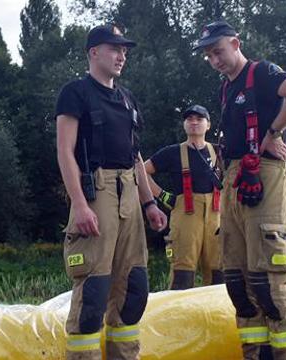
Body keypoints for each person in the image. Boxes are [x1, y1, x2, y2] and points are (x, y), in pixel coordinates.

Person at [193, 20, 286, 359]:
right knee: (237, 279)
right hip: (234, 177)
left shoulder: (261, 73)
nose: (214, 60)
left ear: (236, 43)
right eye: (209, 55)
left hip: (263, 173)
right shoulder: (227, 87)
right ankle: (257, 354)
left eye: (218, 51)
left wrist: (273, 133)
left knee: (268, 278)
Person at [55, 24, 167, 360]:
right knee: (94, 291)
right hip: (96, 190)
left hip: (130, 192)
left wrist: (150, 203)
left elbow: (135, 158)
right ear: (93, 52)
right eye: (114, 49)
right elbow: (64, 151)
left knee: (134, 289)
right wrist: (80, 205)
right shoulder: (75, 93)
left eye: (125, 51)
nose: (121, 56)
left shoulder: (127, 98)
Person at [144, 104, 224, 290]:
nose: (194, 122)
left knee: (218, 273)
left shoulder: (220, 152)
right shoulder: (172, 153)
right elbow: (142, 171)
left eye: (199, 119)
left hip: (217, 217)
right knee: (183, 273)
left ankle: (215, 317)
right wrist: (162, 196)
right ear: (184, 125)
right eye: (189, 119)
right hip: (185, 216)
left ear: (208, 125)